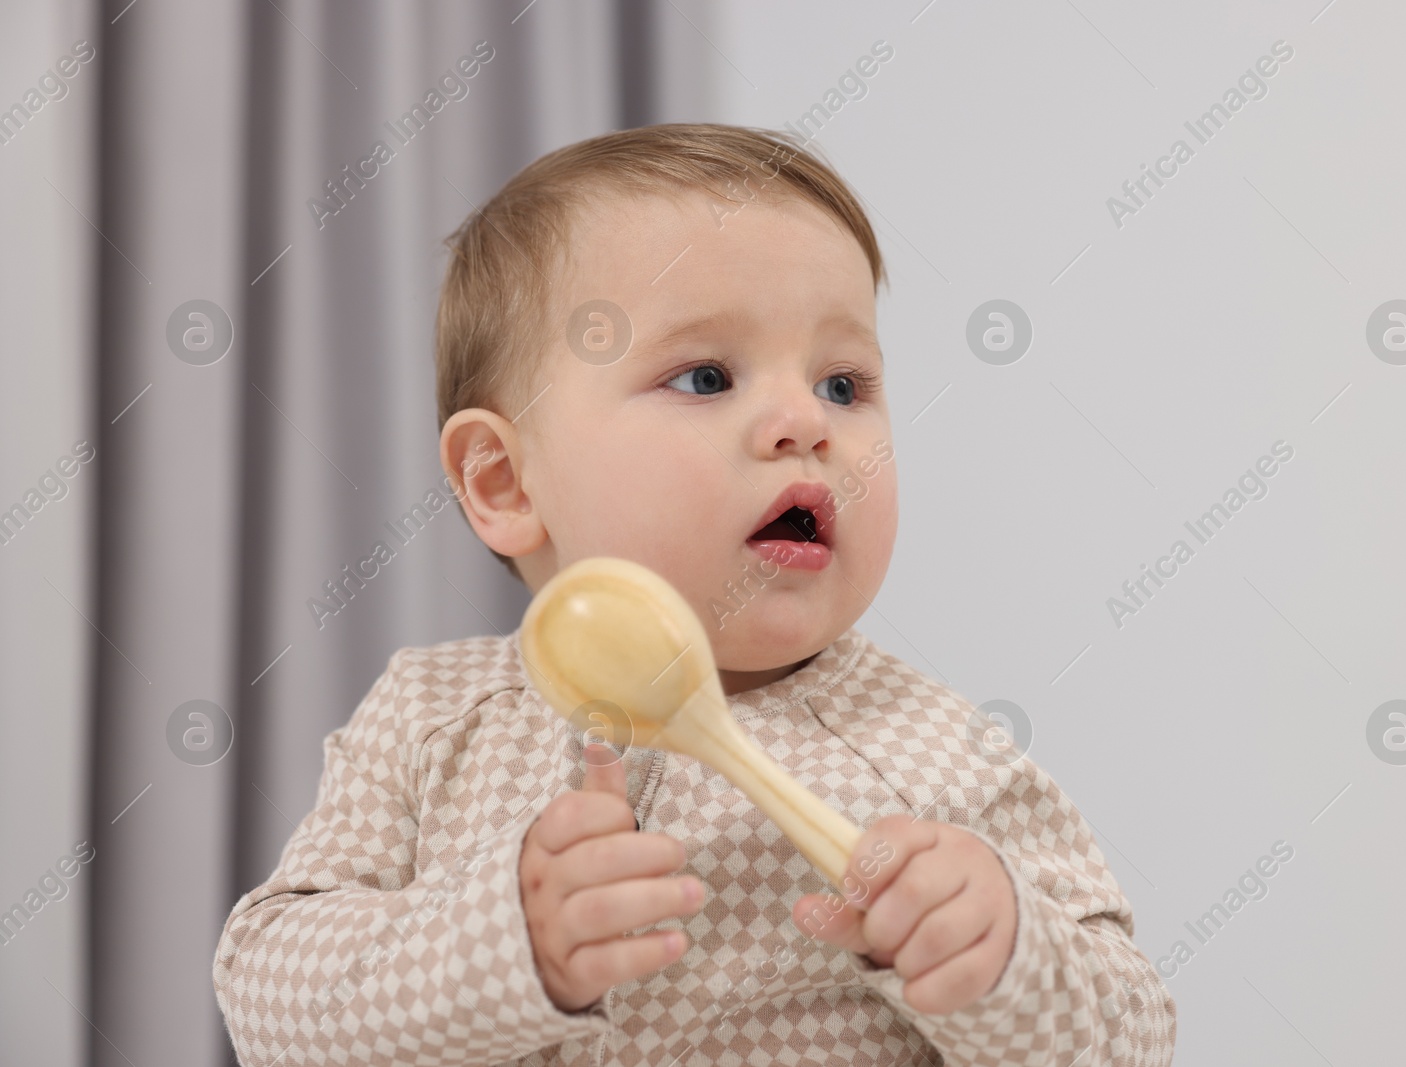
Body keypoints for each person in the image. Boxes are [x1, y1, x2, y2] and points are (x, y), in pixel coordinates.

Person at [213, 122, 1176, 1066]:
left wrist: (1004, 953)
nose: (805, 421)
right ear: (504, 482)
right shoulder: (430, 722)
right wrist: (505, 944)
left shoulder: (939, 756)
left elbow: (1134, 1035)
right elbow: (268, 1003)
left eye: (844, 384)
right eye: (707, 375)